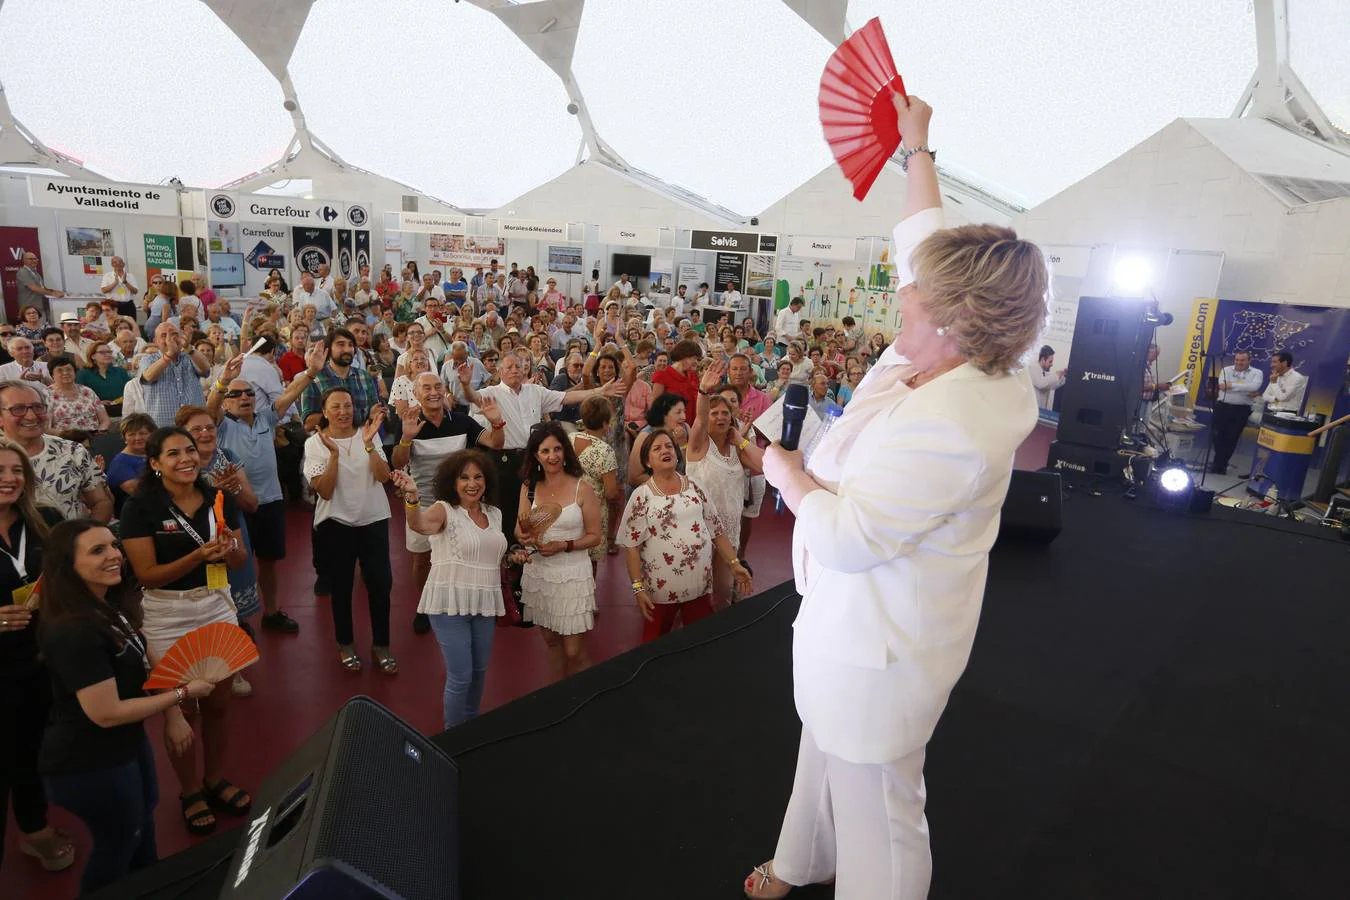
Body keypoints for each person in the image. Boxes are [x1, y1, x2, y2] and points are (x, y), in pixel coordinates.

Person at [746, 95, 1049, 900]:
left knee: (882, 812)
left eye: (918, 290)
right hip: (849, 627)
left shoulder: (954, 420)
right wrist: (917, 150)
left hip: (879, 650)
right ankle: (801, 861)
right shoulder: (968, 354)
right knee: (822, 754)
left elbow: (849, 536)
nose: (901, 290)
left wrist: (785, 473)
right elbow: (925, 236)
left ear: (953, 316)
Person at [37, 519, 216, 893]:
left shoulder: (106, 603)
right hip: (89, 762)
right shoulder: (74, 631)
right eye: (97, 550)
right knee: (119, 843)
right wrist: (182, 696)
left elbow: (144, 652)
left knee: (143, 821)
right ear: (66, 565)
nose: (114, 555)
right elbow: (106, 713)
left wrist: (172, 715)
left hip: (126, 746)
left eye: (113, 545)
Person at [119, 428, 251, 837]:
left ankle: (214, 779)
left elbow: (240, 558)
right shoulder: (140, 508)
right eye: (172, 453)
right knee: (181, 710)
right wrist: (198, 553)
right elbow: (147, 576)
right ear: (155, 464)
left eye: (190, 450)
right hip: (165, 615)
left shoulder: (218, 497)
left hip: (215, 605)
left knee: (219, 705)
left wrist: (229, 551)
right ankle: (190, 790)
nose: (185, 459)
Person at [393, 451, 518, 729]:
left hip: (484, 601)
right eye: (464, 478)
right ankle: (453, 738)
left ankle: (471, 726)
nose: (472, 484)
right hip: (449, 602)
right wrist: (412, 497)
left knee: (479, 672)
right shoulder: (443, 509)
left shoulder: (494, 514)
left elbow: (494, 555)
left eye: (477, 477)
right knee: (461, 675)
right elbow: (419, 524)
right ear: (453, 482)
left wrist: (514, 557)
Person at [0, 441, 73, 876]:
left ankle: (33, 828)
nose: (9, 478)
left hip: (45, 659)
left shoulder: (47, 521)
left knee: (31, 749)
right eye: (0, 470)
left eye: (17, 470)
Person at [392, 373, 505, 635]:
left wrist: (496, 422)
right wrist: (406, 438)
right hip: (424, 502)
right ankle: (424, 607)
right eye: (426, 387)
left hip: (461, 505)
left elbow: (496, 443)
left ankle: (464, 602)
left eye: (437, 386)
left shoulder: (463, 422)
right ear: (416, 394)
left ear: (444, 390)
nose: (433, 392)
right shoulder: (409, 422)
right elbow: (398, 462)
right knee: (421, 560)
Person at [474, 351, 626, 541]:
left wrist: (599, 391)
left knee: (532, 508)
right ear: (500, 371)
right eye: (509, 367)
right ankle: (508, 556)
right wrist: (464, 384)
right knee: (505, 510)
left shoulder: (535, 391)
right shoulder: (491, 393)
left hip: (531, 459)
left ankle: (527, 551)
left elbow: (565, 398)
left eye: (518, 366)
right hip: (503, 462)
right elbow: (471, 397)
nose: (515, 370)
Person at [618, 428, 751, 641]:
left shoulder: (695, 487)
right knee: (655, 646)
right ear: (647, 461)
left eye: (669, 446)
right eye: (657, 448)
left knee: (700, 643)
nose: (665, 450)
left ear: (676, 453)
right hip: (660, 590)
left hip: (697, 585)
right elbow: (631, 547)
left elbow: (717, 531)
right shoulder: (641, 496)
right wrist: (637, 588)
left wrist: (735, 563)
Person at [304, 389, 396, 673]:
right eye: (336, 407)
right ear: (324, 412)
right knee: (341, 588)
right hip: (336, 524)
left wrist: (368, 445)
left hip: (373, 520)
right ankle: (345, 643)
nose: (343, 411)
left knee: (381, 585)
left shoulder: (368, 434)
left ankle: (381, 645)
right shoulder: (314, 444)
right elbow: (326, 491)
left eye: (347, 405)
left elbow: (384, 477)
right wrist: (334, 455)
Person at [176, 406, 260, 696]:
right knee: (199, 610)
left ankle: (234, 670)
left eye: (210, 427)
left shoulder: (229, 459)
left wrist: (235, 488)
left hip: (232, 538)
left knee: (232, 609)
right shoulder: (180, 465)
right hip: (197, 545)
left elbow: (252, 504)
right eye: (197, 429)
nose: (205, 433)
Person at [516, 422, 603, 681]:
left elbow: (595, 536)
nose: (552, 456)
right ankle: (556, 696)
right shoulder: (529, 487)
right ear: (536, 456)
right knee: (552, 641)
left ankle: (587, 697)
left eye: (557, 449)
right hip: (540, 574)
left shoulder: (582, 488)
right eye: (545, 451)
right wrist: (525, 537)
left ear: (565, 452)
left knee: (574, 650)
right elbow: (518, 531)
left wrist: (564, 545)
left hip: (572, 574)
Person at [686, 362, 762, 606]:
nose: (720, 417)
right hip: (698, 529)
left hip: (729, 531)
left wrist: (739, 438)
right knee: (695, 591)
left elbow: (764, 466)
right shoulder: (698, 445)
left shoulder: (736, 449)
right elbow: (698, 418)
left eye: (725, 413)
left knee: (722, 592)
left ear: (732, 418)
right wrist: (703, 392)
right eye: (714, 412)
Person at [0, 381, 112, 521]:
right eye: (18, 409)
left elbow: (101, 502)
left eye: (38, 407)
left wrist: (84, 538)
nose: (31, 416)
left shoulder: (72, 451)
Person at [571, 397, 621, 568]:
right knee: (590, 563)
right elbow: (611, 492)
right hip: (593, 511)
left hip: (569, 504)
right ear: (605, 424)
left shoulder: (569, 439)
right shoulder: (605, 451)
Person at [140, 323, 209, 427]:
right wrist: (169, 355)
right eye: (164, 335)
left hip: (194, 423)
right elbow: (148, 378)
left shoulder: (190, 356)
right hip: (162, 426)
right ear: (155, 341)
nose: (170, 339)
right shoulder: (148, 359)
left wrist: (188, 347)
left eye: (174, 334)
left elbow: (206, 370)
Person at [1210, 350, 1263, 475]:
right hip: (1222, 407)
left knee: (1232, 438)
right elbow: (1222, 386)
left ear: (1249, 360)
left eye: (1242, 360)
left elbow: (1254, 387)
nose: (1239, 362)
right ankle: (1219, 463)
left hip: (1241, 409)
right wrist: (1243, 386)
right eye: (1237, 360)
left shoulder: (1257, 373)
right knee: (1217, 436)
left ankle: (1220, 465)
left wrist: (1232, 386)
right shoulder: (1225, 370)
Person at [628, 392, 687, 489]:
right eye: (678, 412)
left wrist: (683, 444)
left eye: (684, 412)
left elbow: (690, 468)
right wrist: (667, 485)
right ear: (664, 414)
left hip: (682, 488)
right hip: (653, 492)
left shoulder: (685, 429)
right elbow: (634, 477)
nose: (684, 417)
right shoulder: (645, 436)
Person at [45, 355, 110, 435]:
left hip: (94, 437)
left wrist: (100, 432)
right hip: (65, 439)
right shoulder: (46, 395)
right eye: (60, 370)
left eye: (69, 369)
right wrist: (69, 435)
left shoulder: (87, 391)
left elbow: (104, 420)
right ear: (52, 375)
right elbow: (46, 428)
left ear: (75, 373)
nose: (65, 373)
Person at [106, 413, 156, 515]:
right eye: (132, 434)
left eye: (142, 433)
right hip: (138, 513)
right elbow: (141, 493)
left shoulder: (157, 454)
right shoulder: (120, 463)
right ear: (125, 438)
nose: (138, 438)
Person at [78, 340, 132, 418]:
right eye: (102, 352)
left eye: (109, 352)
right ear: (93, 356)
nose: (107, 355)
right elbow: (79, 397)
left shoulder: (121, 372)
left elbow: (131, 392)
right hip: (96, 414)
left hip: (122, 412)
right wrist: (98, 403)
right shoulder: (83, 374)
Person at [1030, 344, 1067, 410]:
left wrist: (1063, 375)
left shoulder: (1044, 373)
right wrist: (1056, 375)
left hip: (1041, 411)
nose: (1052, 364)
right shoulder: (1032, 368)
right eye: (1050, 362)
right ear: (1043, 359)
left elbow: (1053, 385)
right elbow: (1041, 383)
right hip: (1031, 411)